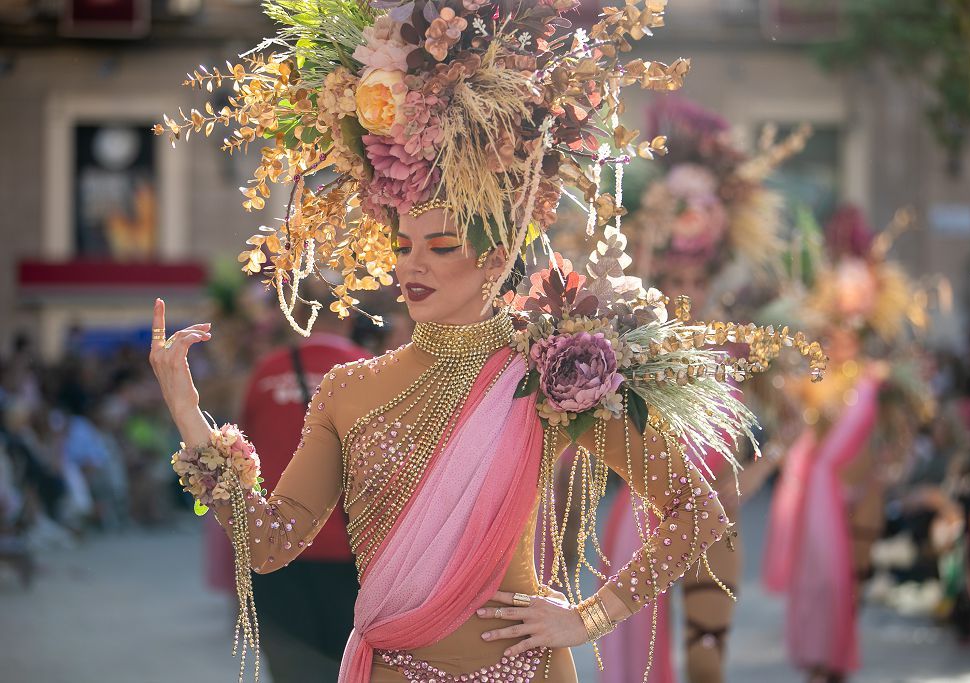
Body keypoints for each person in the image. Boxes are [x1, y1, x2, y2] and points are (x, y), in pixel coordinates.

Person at [149, 3, 823, 681]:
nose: (413, 266)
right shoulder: (347, 390)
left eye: (441, 245)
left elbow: (694, 506)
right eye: (402, 245)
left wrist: (590, 615)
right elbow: (267, 545)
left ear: (498, 252)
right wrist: (189, 413)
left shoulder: (554, 374)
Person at [600, 97, 806, 683]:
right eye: (673, 279)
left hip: (719, 517)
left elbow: (793, 423)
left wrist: (749, 481)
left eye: (696, 279)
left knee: (707, 663)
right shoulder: (630, 337)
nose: (685, 288)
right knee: (636, 670)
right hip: (641, 520)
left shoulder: (743, 338)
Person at [762, 206, 931, 683]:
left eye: (850, 332)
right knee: (823, 584)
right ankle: (821, 661)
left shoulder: (883, 381)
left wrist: (893, 461)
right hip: (822, 496)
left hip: (865, 493)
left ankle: (837, 664)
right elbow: (788, 421)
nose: (843, 339)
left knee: (850, 585)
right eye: (835, 331)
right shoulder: (812, 380)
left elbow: (906, 428)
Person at [241, 328, 370, 682]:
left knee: (290, 667)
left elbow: (243, 452)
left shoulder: (267, 371)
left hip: (274, 546)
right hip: (350, 549)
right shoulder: (369, 368)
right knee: (350, 667)